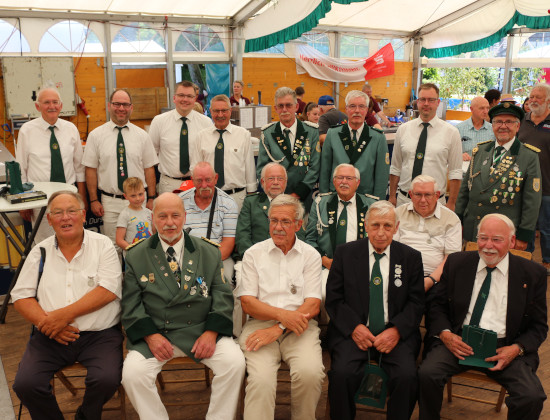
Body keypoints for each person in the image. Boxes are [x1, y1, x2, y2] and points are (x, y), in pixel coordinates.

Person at [121, 192, 245, 420]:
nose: (170, 222)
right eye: (163, 216)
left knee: (234, 363)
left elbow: (222, 294)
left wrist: (211, 332)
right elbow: (131, 303)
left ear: (185, 217)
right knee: (132, 374)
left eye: (175, 215)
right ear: (152, 220)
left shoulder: (208, 251)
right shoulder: (136, 255)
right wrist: (151, 336)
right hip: (158, 333)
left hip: (200, 331)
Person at [418, 214, 548, 420]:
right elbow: (436, 306)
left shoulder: (533, 274)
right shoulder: (457, 263)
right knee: (427, 375)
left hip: (504, 347)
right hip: (458, 341)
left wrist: (516, 349)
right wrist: (446, 335)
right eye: (483, 238)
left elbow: (539, 326)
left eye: (497, 239)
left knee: (531, 397)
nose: (488, 246)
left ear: (512, 241)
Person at [12, 191, 123, 420]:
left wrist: (61, 316)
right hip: (51, 334)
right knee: (26, 384)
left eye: (71, 211)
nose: (65, 218)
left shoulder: (103, 245)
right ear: (49, 220)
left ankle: (86, 416)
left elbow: (109, 290)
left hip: (99, 335)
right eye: (58, 213)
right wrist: (47, 323)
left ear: (83, 216)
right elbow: (21, 296)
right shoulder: (39, 251)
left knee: (106, 380)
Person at [325, 200, 424, 420]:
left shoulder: (410, 258)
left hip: (394, 334)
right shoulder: (345, 254)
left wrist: (396, 331)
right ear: (366, 226)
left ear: (396, 228)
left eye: (387, 226)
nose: (381, 232)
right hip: (353, 333)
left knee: (407, 377)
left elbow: (417, 303)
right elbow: (334, 298)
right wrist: (354, 328)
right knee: (341, 375)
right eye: (376, 225)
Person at [237, 194, 325, 420]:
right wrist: (282, 318)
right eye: (273, 220)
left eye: (285, 222)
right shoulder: (253, 254)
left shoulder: (310, 255)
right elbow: (248, 303)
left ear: (298, 224)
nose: (277, 227)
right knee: (261, 380)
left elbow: (313, 304)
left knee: (310, 373)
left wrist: (278, 328)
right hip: (259, 325)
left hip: (301, 327)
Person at [456, 102, 542, 249]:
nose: (503, 126)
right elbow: (465, 191)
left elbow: (532, 202)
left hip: (504, 233)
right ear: (492, 125)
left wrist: (524, 234)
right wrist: (458, 222)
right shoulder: (481, 151)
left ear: (518, 126)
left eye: (509, 122)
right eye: (498, 122)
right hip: (473, 228)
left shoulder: (528, 156)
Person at [82, 89, 158, 250]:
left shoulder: (142, 136)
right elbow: (90, 170)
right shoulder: (96, 136)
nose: (121, 108)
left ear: (131, 108)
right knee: (111, 247)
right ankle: (116, 276)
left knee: (142, 244)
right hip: (110, 202)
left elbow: (149, 168)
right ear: (109, 106)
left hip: (139, 201)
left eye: (125, 104)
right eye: (117, 104)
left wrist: (151, 197)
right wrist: (93, 200)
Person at [16, 87, 87, 243]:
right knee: (44, 243)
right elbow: (21, 169)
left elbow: (79, 168)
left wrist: (81, 199)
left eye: (55, 102)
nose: (51, 106)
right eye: (46, 102)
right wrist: (23, 202)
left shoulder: (71, 129)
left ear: (61, 106)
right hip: (39, 199)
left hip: (69, 196)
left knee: (72, 240)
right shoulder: (26, 131)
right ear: (37, 106)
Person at [306, 163, 377, 301]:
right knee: (322, 295)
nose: (344, 182)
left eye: (349, 178)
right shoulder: (320, 203)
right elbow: (310, 239)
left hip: (362, 265)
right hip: (327, 265)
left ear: (358, 182)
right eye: (340, 178)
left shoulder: (371, 205)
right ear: (334, 181)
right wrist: (325, 261)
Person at [389, 83, 462, 210]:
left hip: (436, 203)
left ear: (438, 102)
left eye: (431, 100)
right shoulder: (403, 130)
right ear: (417, 102)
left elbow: (455, 172)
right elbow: (395, 167)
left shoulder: (451, 132)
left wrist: (451, 203)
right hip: (404, 201)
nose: (426, 103)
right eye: (423, 99)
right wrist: (391, 197)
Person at [394, 175, 461, 293]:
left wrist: (430, 280)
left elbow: (450, 258)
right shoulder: (397, 214)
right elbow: (391, 249)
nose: (423, 200)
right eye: (418, 194)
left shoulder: (451, 219)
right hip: (400, 275)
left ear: (437, 195)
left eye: (428, 195)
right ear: (410, 194)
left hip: (435, 279)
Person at [319, 90, 390, 199]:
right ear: (346, 109)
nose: (357, 110)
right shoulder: (332, 134)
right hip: (336, 198)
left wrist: (377, 203)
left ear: (367, 110)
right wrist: (324, 198)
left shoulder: (378, 138)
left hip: (365, 199)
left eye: (361, 106)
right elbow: (325, 170)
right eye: (352, 106)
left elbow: (382, 175)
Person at [256, 87, 320, 204]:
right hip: (275, 199)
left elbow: (315, 167)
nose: (284, 109)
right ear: (276, 109)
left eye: (288, 105)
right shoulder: (267, 134)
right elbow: (262, 169)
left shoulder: (311, 131)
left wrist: (297, 194)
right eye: (280, 106)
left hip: (304, 198)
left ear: (296, 107)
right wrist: (276, 194)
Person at [192, 94, 256, 210]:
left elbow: (250, 168)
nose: (220, 115)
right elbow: (195, 168)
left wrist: (251, 195)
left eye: (224, 111)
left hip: (237, 198)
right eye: (216, 111)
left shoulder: (243, 134)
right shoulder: (201, 136)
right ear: (210, 111)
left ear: (230, 111)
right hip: (209, 198)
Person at [149, 80, 213, 194]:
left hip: (198, 184)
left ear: (195, 99)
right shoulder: (159, 121)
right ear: (174, 98)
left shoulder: (206, 123)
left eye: (189, 96)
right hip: (169, 185)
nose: (185, 99)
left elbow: (209, 155)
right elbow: (151, 156)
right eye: (181, 95)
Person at [179, 162, 238, 281]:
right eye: (199, 181)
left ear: (216, 178)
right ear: (192, 180)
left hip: (218, 258)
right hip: (185, 258)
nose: (204, 185)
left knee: (224, 280)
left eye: (208, 180)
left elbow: (228, 244)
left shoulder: (228, 204)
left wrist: (204, 263)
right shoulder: (179, 202)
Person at [518, 83, 550, 273]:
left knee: (546, 228)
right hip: (523, 185)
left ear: (548, 101)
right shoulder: (522, 121)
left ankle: (547, 261)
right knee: (526, 224)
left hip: (547, 186)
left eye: (538, 97)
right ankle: (526, 259)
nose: (534, 100)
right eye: (531, 97)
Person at [116, 177, 154, 258]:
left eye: (140, 194)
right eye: (133, 196)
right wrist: (133, 250)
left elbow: (154, 234)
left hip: (149, 255)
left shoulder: (149, 213)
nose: (138, 198)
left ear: (144, 192)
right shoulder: (124, 214)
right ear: (125, 196)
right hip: (133, 257)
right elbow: (119, 240)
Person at [455, 96, 494, 162]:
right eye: (482, 108)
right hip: (465, 169)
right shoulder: (459, 129)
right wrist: (459, 155)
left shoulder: (493, 129)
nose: (486, 111)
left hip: (485, 170)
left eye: (487, 108)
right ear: (471, 109)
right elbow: (450, 152)